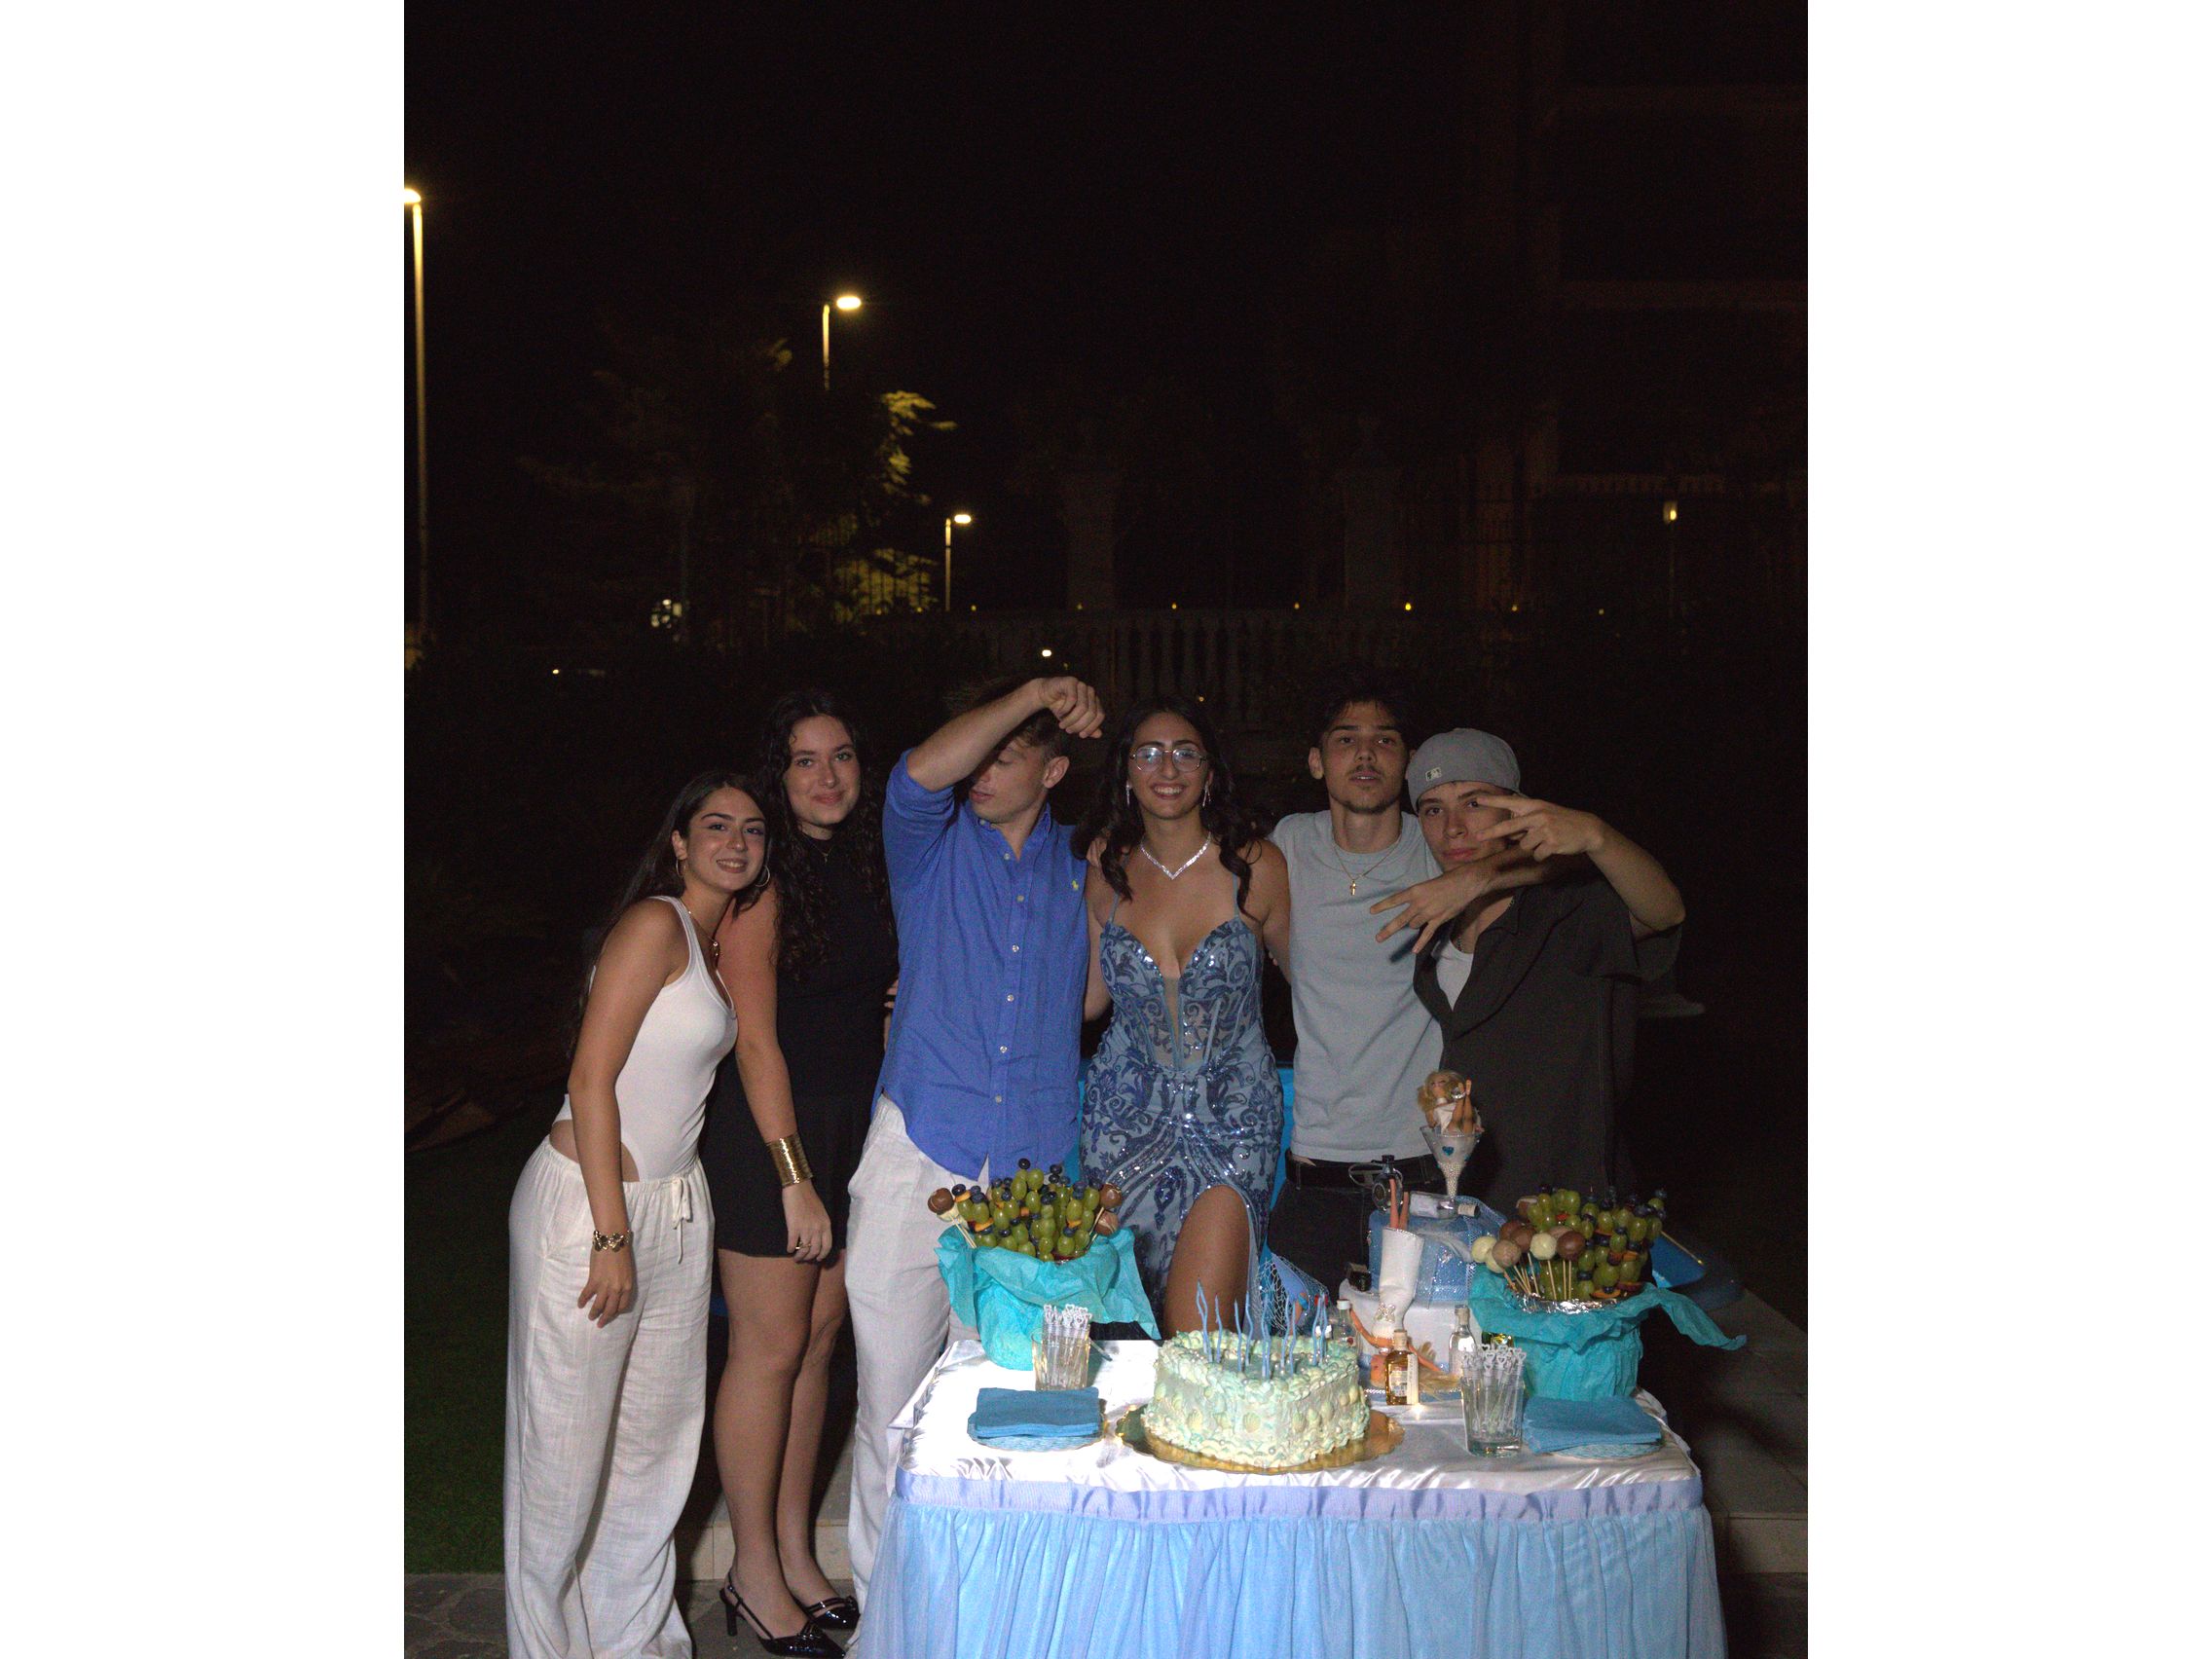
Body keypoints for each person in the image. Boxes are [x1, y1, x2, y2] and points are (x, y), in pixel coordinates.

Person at [843, 674, 1104, 1609]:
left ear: (1054, 772)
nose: (982, 771)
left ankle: (988, 1615)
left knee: (1009, 1410)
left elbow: (1093, 999)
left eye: (1009, 757)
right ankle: (888, 1622)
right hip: (920, 1147)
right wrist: (1033, 692)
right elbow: (917, 774)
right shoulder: (930, 845)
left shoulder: (1086, 866)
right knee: (892, 1409)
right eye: (980, 753)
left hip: (1032, 1174)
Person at [504, 772, 769, 1659]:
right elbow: (590, 1078)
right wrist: (611, 1235)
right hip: (592, 1211)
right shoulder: (656, 923)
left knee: (654, 1454)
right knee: (562, 1456)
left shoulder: (712, 943)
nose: (736, 842)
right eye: (716, 826)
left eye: (753, 830)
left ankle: (634, 1642)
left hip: (677, 1207)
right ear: (680, 843)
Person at [699, 693, 897, 1655]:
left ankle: (789, 1550)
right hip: (770, 1134)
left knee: (818, 1346)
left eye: (842, 757)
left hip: (848, 1125)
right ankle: (749, 1572)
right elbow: (755, 1040)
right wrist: (793, 1176)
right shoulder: (764, 880)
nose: (827, 777)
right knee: (768, 1349)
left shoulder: (859, 866)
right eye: (805, 760)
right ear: (777, 776)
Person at [1264, 670, 1553, 1290]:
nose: (1365, 754)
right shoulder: (1289, 843)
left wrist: (1473, 878)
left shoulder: (1439, 842)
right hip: (1315, 1166)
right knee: (1294, 1341)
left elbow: (1555, 855)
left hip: (1425, 1167)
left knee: (1426, 1347)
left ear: (1410, 761)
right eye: (1346, 739)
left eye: (1385, 740)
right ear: (1316, 761)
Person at [1078, 695, 1292, 1334]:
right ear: (1125, 771)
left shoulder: (1258, 865)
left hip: (1234, 1124)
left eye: (1185, 753)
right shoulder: (1105, 867)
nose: (1166, 768)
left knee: (1200, 1342)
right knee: (1123, 1337)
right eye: (1148, 753)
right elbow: (1087, 1000)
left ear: (1209, 772)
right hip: (1122, 1125)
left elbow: (1316, 985)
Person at [1408, 728, 1685, 1209]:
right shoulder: (1436, 932)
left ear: (1517, 812)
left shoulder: (1568, 910)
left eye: (1474, 803)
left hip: (1570, 1212)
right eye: (1433, 809)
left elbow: (1663, 912)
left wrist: (1597, 836)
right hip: (1471, 1201)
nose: (1453, 827)